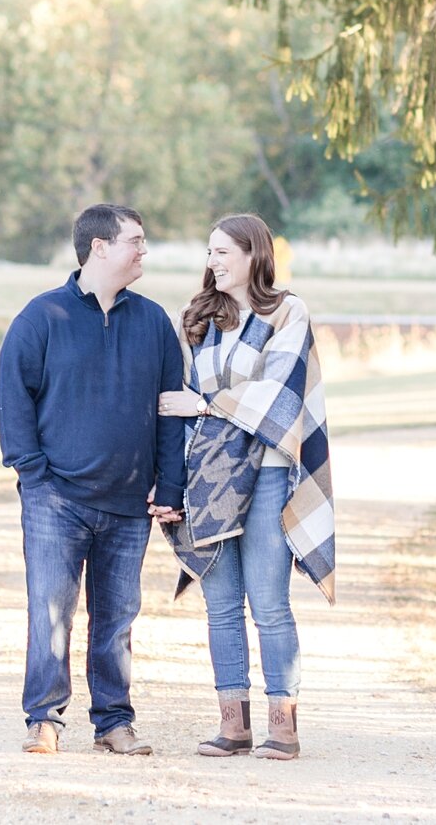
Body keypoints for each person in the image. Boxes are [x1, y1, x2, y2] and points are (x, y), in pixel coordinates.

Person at [0, 203, 189, 756]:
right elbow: (13, 396)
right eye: (136, 241)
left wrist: (170, 485)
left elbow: (171, 410)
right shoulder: (43, 317)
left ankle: (113, 722)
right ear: (99, 247)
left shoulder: (153, 322)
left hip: (129, 502)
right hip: (56, 497)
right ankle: (45, 721)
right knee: (50, 609)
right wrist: (33, 473)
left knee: (118, 618)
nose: (144, 251)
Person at [160, 213, 335, 761]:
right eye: (209, 252)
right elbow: (179, 401)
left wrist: (207, 405)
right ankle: (232, 726)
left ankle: (283, 726)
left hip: (267, 472)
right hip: (211, 473)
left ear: (253, 254)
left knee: (269, 602)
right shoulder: (202, 319)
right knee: (220, 604)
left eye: (222, 252)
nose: (212, 261)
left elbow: (278, 392)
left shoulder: (287, 311)